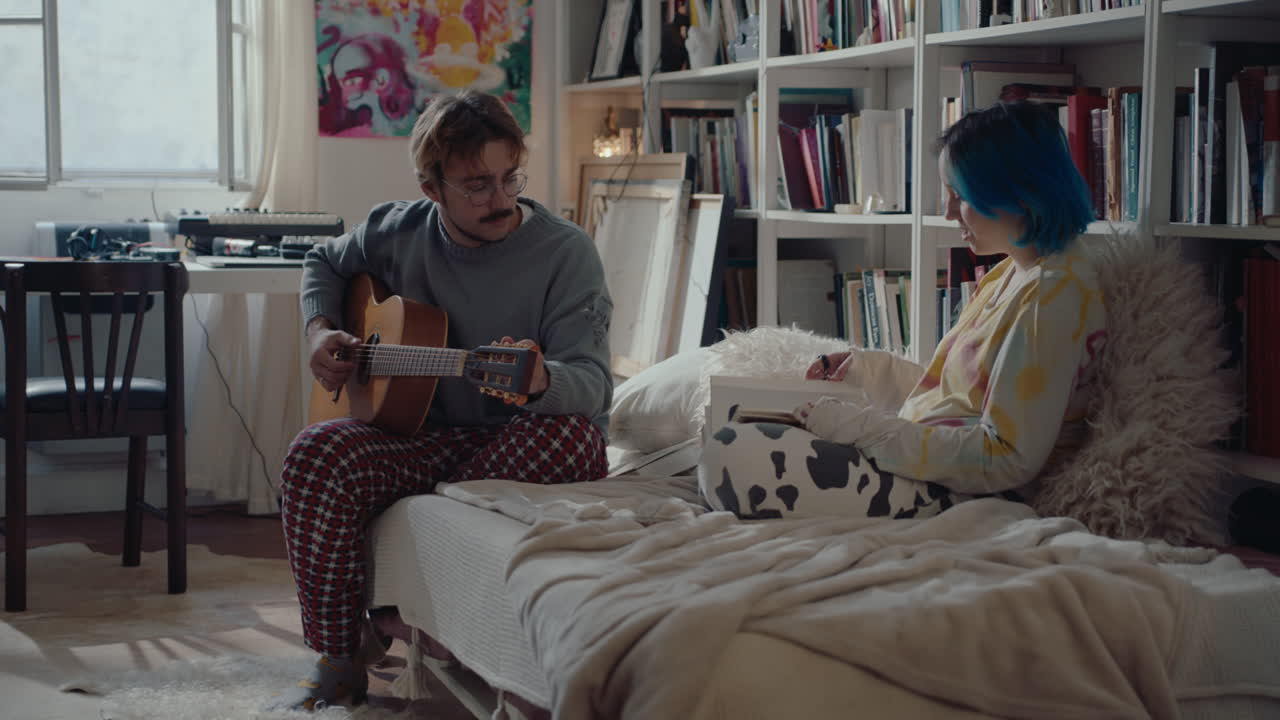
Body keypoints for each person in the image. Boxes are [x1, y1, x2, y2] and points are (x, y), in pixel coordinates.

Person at [267, 90, 613, 711]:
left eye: (511, 178)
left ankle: (415, 530)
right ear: (433, 189)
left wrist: (539, 381)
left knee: (576, 441)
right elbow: (322, 261)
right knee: (314, 452)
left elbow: (592, 383)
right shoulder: (392, 229)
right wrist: (321, 329)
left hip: (508, 439)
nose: (501, 200)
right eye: (477, 185)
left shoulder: (565, 252)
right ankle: (340, 653)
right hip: (413, 437)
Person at [699, 100, 1107, 520]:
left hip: (964, 491)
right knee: (731, 437)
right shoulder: (1012, 274)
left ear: (1018, 194)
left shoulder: (1053, 298)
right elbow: (956, 400)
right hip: (925, 465)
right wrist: (869, 371)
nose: (949, 213)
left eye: (960, 196)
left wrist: (863, 430)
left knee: (730, 454)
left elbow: (1006, 458)